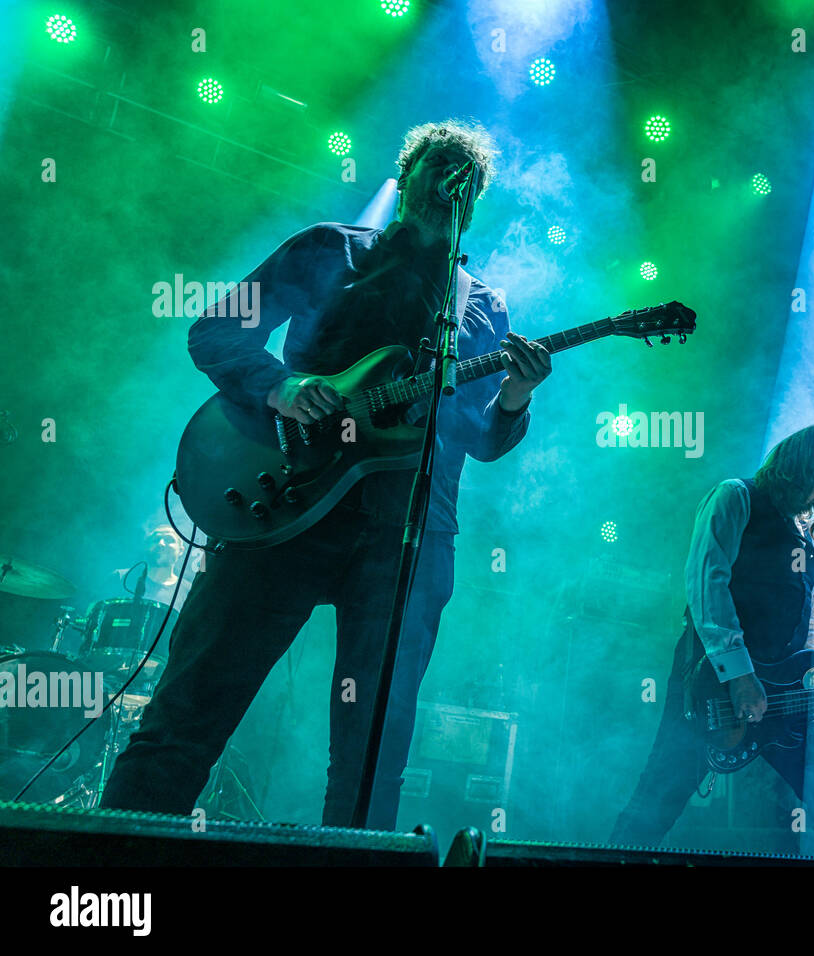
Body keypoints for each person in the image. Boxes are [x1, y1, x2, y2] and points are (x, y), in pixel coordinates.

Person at [101, 119, 552, 828]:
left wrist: (516, 397)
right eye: (440, 163)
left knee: (373, 750)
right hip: (282, 504)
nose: (450, 179)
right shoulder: (328, 248)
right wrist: (278, 387)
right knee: (190, 711)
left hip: (407, 533)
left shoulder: (482, 307)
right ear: (405, 177)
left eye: (468, 174)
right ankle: (114, 866)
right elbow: (216, 329)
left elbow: (476, 437)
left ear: (476, 201)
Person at [610, 425, 814, 855]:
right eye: (809, 477)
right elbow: (706, 585)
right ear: (789, 466)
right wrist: (739, 675)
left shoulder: (802, 532)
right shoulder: (736, 497)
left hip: (790, 695)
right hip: (711, 690)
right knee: (655, 805)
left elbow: (809, 625)